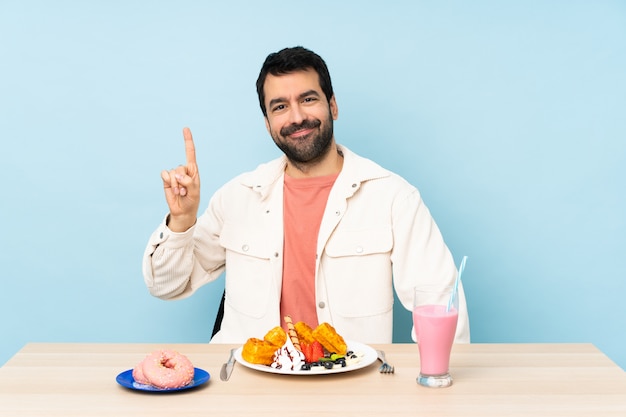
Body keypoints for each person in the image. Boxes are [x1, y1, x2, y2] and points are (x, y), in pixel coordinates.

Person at [142, 46, 470, 344]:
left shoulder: (393, 197)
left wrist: (435, 384)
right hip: (248, 388)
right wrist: (182, 221)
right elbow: (167, 285)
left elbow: (441, 305)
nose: (296, 117)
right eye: (280, 106)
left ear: (333, 105)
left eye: (308, 99)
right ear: (268, 123)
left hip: (352, 389)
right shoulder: (237, 197)